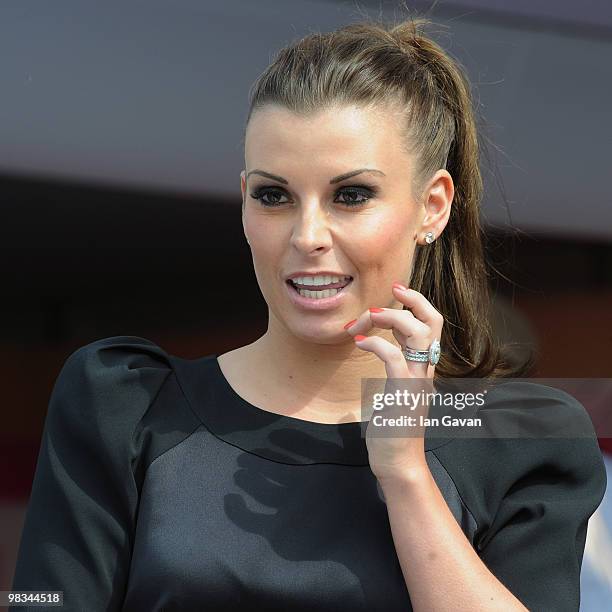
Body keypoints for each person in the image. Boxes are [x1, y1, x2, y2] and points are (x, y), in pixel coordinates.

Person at [11, 15, 606, 612]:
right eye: (274, 196)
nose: (308, 235)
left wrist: (404, 471)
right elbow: (40, 600)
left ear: (432, 207)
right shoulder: (123, 401)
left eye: (351, 196)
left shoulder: (522, 437)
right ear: (243, 201)